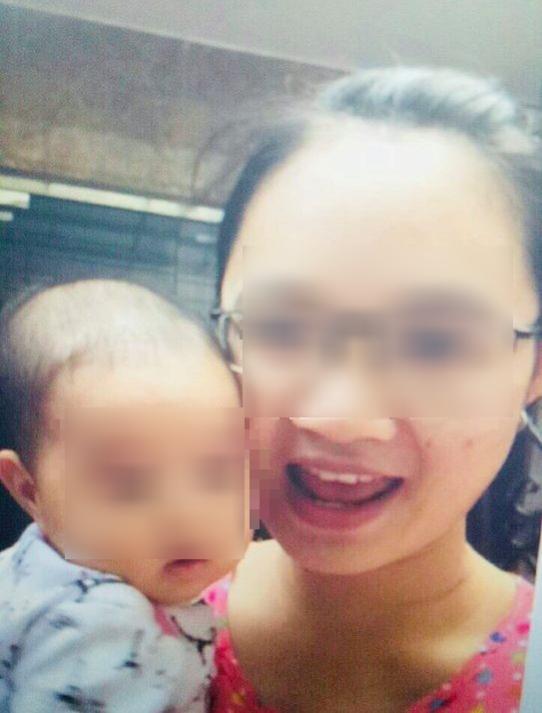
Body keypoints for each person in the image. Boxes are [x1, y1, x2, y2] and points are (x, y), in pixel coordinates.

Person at [207, 66, 542, 712]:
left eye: (434, 342)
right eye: (282, 326)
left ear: (535, 371)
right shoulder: (75, 624)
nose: (340, 416)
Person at [0, 279, 248, 712]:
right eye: (130, 483)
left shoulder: (32, 570)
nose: (186, 511)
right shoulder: (105, 631)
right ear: (28, 490)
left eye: (216, 470)